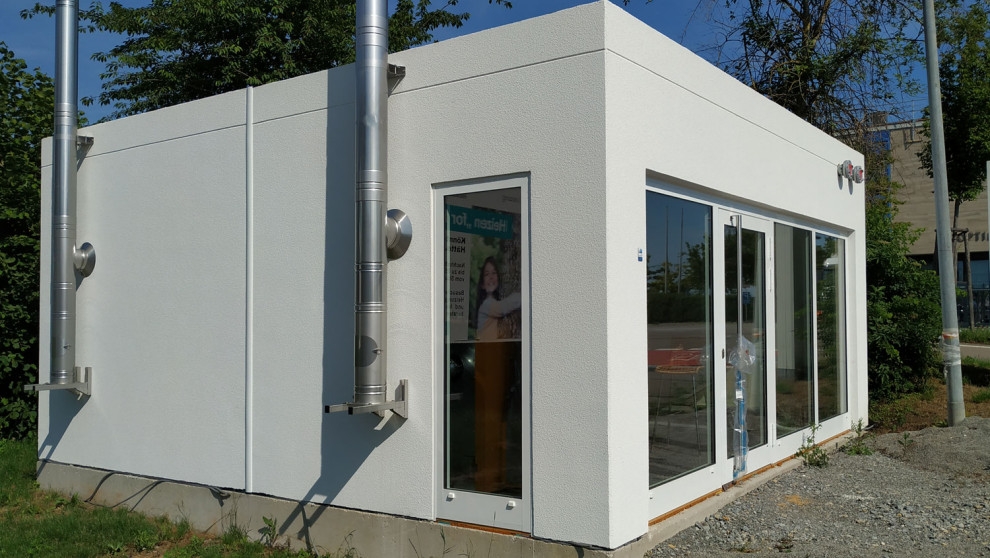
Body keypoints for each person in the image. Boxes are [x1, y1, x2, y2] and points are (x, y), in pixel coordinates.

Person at [473, 256, 522, 494]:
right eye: (487, 274)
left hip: (500, 360)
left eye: (494, 273)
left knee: (500, 418)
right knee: (490, 419)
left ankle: (498, 476)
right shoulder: (487, 306)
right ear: (482, 284)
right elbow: (506, 307)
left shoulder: (495, 305)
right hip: (489, 362)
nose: (491, 277)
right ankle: (487, 479)